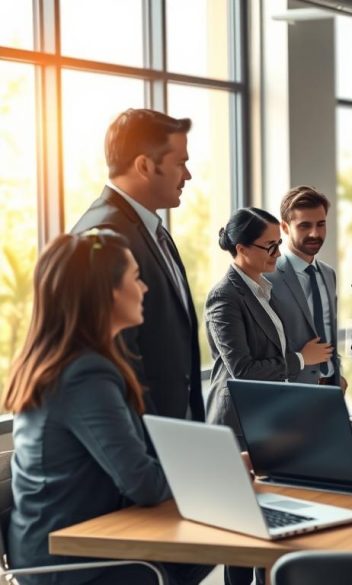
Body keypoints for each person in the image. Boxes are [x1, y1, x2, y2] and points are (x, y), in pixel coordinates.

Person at [3, 230, 212, 585]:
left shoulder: (70, 363)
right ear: (106, 293)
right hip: (68, 562)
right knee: (199, 553)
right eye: (135, 278)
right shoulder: (84, 374)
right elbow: (142, 483)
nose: (144, 288)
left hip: (66, 542)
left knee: (201, 552)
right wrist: (210, 481)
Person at [70, 108, 204, 421]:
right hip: (146, 447)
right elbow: (116, 364)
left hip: (173, 441)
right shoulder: (102, 237)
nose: (188, 175)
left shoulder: (151, 228)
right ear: (144, 165)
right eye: (180, 163)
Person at [205, 208, 332, 442]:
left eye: (279, 243)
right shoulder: (224, 296)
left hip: (270, 415)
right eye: (270, 246)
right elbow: (243, 371)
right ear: (242, 249)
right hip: (239, 422)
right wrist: (302, 359)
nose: (278, 252)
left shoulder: (264, 290)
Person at [267, 186, 347, 391]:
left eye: (321, 224)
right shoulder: (268, 277)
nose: (315, 233)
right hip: (291, 391)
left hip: (330, 387)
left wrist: (337, 374)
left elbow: (328, 329)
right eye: (304, 226)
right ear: (284, 228)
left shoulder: (328, 274)